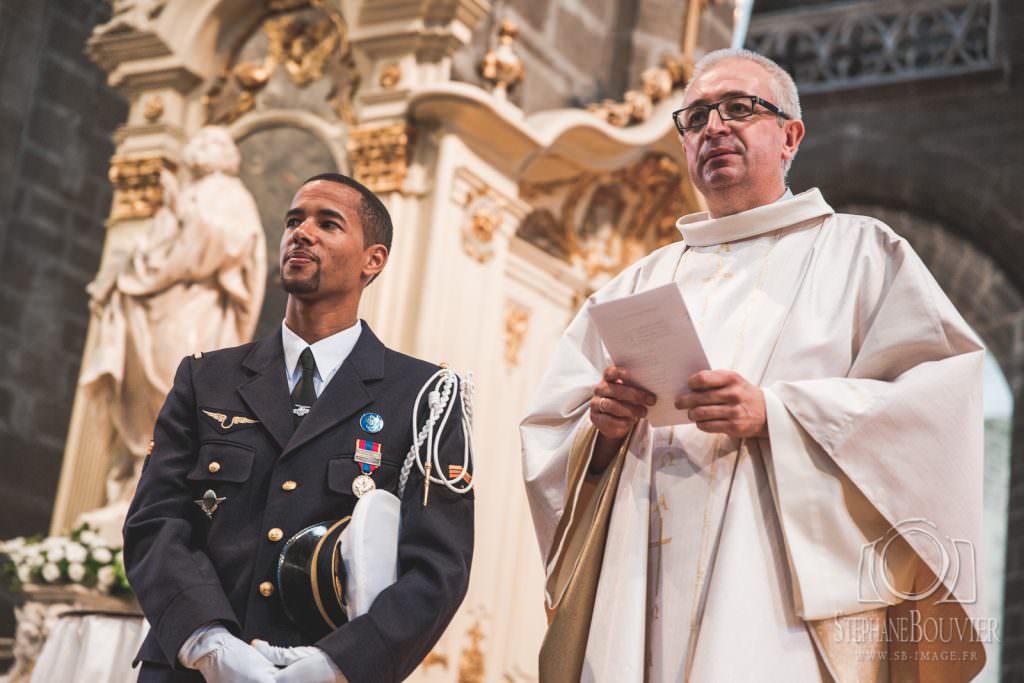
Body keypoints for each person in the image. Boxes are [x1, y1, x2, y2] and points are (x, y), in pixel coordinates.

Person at [521, 48, 986, 682]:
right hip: (639, 592)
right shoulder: (636, 283)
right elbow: (554, 440)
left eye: (739, 108)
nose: (714, 127)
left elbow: (935, 405)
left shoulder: (862, 253)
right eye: (696, 117)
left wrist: (777, 413)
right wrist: (599, 434)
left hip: (775, 603)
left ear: (791, 136)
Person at [124, 173, 474, 683]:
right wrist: (209, 643)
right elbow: (155, 522)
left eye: (327, 223)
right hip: (193, 671)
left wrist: (339, 664)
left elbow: (438, 568)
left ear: (373, 259)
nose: (301, 233)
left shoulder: (424, 395)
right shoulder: (207, 378)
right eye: (294, 221)